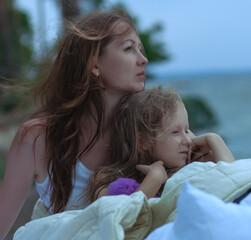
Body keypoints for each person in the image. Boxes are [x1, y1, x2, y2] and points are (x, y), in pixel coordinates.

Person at [0, 9, 148, 239]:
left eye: (140, 49)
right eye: (129, 48)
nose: (143, 59)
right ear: (94, 64)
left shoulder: (146, 131)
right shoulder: (37, 138)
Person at [88, 86, 235, 201]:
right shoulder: (117, 185)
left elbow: (237, 182)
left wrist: (214, 140)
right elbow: (121, 219)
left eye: (187, 129)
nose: (188, 140)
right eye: (176, 132)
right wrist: (154, 180)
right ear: (143, 141)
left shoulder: (190, 170)